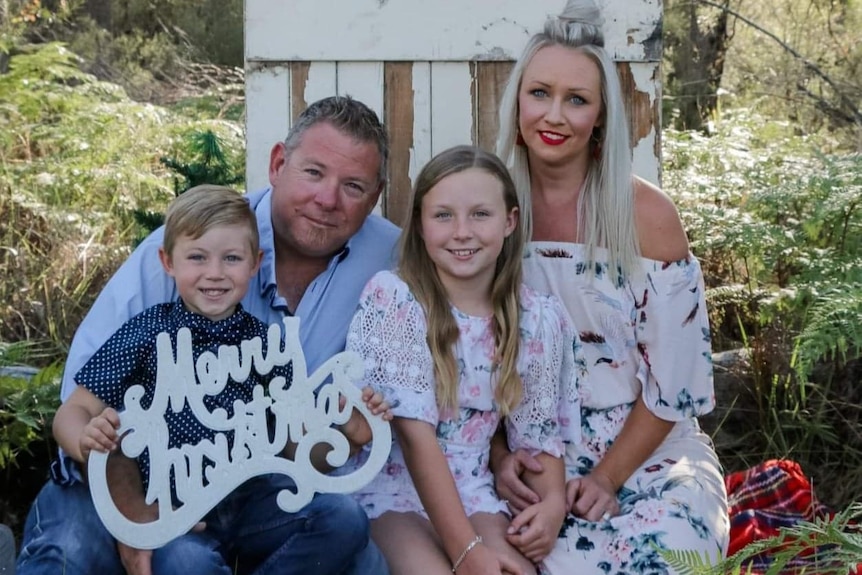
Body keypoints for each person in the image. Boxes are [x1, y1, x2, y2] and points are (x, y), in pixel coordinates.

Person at [18, 96, 400, 575]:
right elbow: (84, 409)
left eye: (353, 186)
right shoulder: (186, 249)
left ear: (376, 193)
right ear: (278, 163)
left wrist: (347, 430)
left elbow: (288, 438)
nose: (328, 199)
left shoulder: (390, 259)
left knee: (349, 538)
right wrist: (138, 517)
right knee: (76, 554)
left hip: (243, 494)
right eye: (314, 173)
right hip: (132, 479)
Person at [491, 0, 730, 573]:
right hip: (531, 453)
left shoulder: (646, 215)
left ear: (601, 116)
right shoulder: (486, 206)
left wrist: (606, 477)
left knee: (668, 557)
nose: (554, 115)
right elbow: (462, 356)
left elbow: (675, 382)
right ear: (517, 100)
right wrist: (498, 456)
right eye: (539, 93)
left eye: (577, 100)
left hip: (647, 448)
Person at [345, 145, 578, 575]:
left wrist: (552, 506)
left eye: (480, 215)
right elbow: (415, 439)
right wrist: (466, 552)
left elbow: (537, 436)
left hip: (474, 490)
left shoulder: (535, 318)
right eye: (444, 215)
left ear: (509, 221)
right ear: (419, 224)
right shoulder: (396, 299)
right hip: (395, 489)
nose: (462, 232)